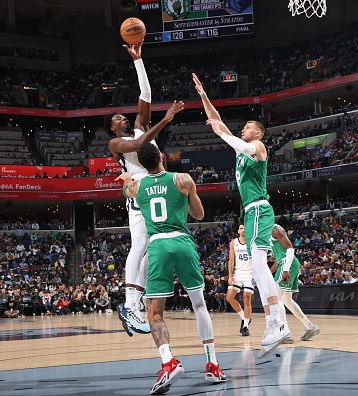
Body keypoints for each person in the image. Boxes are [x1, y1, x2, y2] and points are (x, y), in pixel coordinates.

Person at [117, 143, 226, 395]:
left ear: (143, 165)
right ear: (162, 158)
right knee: (199, 305)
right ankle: (212, 364)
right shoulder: (183, 179)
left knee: (154, 314)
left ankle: (169, 362)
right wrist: (184, 199)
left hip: (157, 247)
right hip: (182, 241)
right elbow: (198, 214)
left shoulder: (136, 187)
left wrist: (126, 177)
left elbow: (126, 186)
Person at [192, 73, 290, 349]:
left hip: (259, 208)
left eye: (247, 126)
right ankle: (277, 319)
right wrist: (203, 96)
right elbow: (220, 123)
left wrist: (222, 133)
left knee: (259, 266)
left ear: (256, 131)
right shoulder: (240, 152)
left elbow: (240, 142)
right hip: (251, 212)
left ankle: (276, 321)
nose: (243, 129)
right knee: (259, 270)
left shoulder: (258, 146)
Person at [106, 40, 185, 336]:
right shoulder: (116, 143)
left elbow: (146, 95)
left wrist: (138, 61)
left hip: (156, 190)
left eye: (122, 115)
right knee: (139, 246)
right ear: (112, 128)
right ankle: (128, 303)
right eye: (116, 118)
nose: (122, 118)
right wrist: (165, 121)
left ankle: (135, 302)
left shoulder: (140, 123)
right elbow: (139, 145)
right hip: (138, 193)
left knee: (152, 251)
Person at [269, 224, 320, 343]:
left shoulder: (275, 229)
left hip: (288, 264)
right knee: (287, 300)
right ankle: (310, 327)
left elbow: (290, 249)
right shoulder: (266, 234)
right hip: (288, 264)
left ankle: (285, 334)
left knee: (276, 300)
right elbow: (278, 260)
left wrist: (286, 269)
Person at [226, 224, 254, 337]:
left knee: (246, 298)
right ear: (238, 231)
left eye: (245, 228)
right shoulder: (233, 242)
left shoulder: (252, 242)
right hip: (238, 272)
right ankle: (244, 317)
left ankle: (245, 326)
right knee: (229, 297)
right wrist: (230, 275)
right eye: (241, 228)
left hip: (250, 273)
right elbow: (231, 260)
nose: (243, 230)